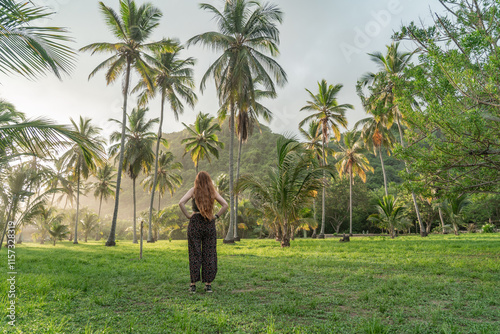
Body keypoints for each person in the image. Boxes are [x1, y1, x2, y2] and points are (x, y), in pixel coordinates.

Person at [179, 171, 228, 293]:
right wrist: (216, 216)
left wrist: (188, 216)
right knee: (209, 254)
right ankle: (208, 284)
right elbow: (225, 205)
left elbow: (181, 203)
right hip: (208, 223)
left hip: (195, 222)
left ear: (197, 180)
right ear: (208, 180)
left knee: (194, 253)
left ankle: (193, 285)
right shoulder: (212, 191)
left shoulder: (193, 190)